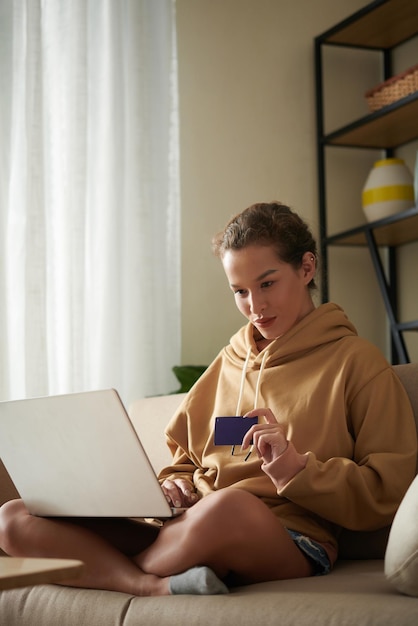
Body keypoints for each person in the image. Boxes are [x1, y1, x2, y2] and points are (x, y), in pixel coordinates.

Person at [0, 201, 416, 597]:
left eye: (267, 283)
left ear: (306, 267)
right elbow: (185, 460)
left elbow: (389, 490)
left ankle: (111, 569)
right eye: (240, 291)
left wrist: (297, 470)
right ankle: (151, 585)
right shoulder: (228, 362)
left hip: (290, 537)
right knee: (14, 518)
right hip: (186, 526)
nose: (256, 306)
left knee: (228, 508)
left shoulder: (356, 362)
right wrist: (173, 485)